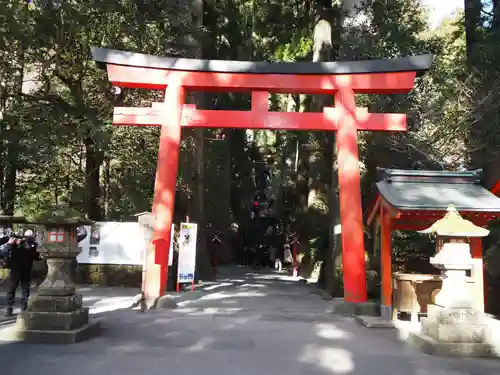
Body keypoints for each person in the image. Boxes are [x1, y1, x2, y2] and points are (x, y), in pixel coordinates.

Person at [3, 229, 40, 317]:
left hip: (26, 269)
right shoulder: (15, 243)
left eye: (29, 236)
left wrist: (28, 248)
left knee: (25, 289)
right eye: (26, 236)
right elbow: (6, 251)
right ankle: (9, 308)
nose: (27, 238)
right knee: (11, 289)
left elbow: (36, 256)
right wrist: (13, 244)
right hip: (15, 269)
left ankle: (24, 307)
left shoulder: (33, 245)